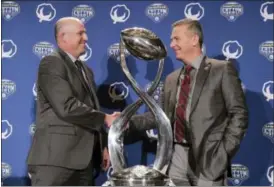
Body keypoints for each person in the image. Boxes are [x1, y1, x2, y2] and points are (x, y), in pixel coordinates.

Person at [126, 18, 248, 186]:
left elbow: (239, 114)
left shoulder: (221, 70)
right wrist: (126, 121)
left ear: (194, 40)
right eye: (171, 39)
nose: (172, 44)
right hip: (176, 159)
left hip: (209, 160)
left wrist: (223, 154)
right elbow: (159, 116)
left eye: (176, 39)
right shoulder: (171, 79)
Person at [26, 17, 118, 186]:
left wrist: (103, 144)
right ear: (63, 37)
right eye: (80, 33)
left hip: (84, 162)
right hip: (56, 162)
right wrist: (105, 118)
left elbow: (90, 108)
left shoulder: (86, 70)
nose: (86, 38)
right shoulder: (52, 62)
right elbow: (66, 106)